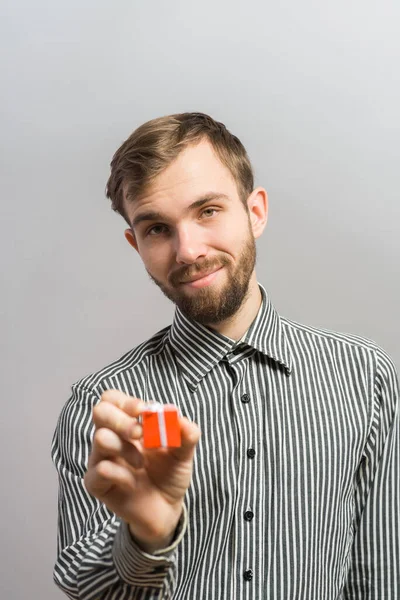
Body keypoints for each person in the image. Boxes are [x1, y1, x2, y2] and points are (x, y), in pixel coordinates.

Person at [51, 112, 399, 600]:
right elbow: (85, 588)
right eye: (156, 229)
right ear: (135, 244)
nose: (188, 250)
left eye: (208, 210)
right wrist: (146, 538)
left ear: (255, 212)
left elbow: (378, 576)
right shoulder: (104, 407)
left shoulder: (364, 375)